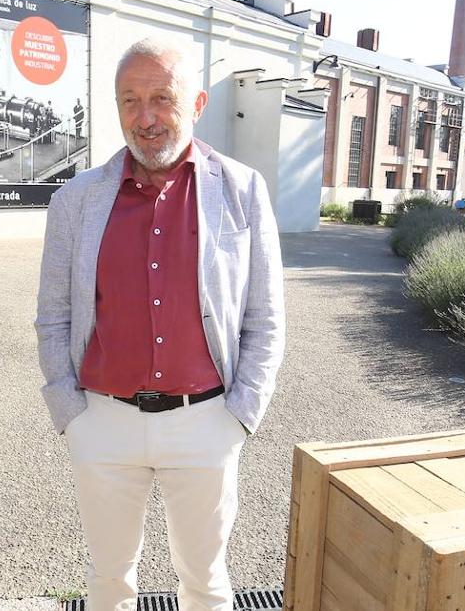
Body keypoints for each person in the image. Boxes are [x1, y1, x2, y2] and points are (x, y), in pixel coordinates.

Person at [35, 38, 285, 611]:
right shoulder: (76, 200)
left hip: (206, 422)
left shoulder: (242, 190)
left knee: (205, 583)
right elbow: (53, 315)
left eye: (161, 99)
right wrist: (69, 412)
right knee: (108, 582)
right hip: (103, 422)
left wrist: (241, 415)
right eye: (130, 100)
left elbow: (265, 314)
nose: (145, 118)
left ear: (196, 103)